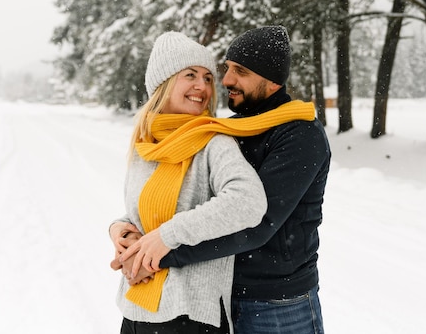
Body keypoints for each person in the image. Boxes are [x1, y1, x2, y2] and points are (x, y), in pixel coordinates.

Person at [117, 26, 331, 334]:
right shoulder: (226, 129)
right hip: (225, 294)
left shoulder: (299, 134)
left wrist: (157, 254)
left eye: (240, 71)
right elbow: (184, 205)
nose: (226, 80)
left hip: (277, 302)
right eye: (227, 69)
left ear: (271, 80)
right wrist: (126, 231)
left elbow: (257, 225)